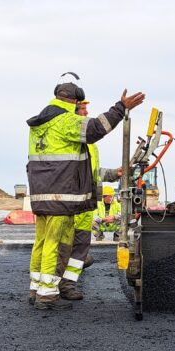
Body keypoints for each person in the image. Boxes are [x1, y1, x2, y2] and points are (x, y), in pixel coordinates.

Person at [26, 72, 144, 310]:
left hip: (42, 195)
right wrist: (121, 107)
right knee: (54, 243)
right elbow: (95, 129)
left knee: (42, 241)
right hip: (61, 196)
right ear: (75, 100)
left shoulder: (40, 124)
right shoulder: (63, 120)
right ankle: (46, 294)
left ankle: (36, 288)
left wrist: (111, 174)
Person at [56, 100, 122, 301]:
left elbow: (94, 171)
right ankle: (55, 284)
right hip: (71, 205)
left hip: (85, 208)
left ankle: (68, 285)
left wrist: (113, 173)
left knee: (80, 247)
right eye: (83, 110)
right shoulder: (69, 139)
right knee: (63, 248)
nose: (87, 112)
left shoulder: (90, 145)